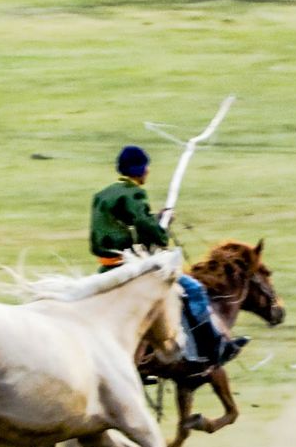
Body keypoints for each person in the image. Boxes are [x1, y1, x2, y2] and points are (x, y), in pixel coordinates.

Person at [90, 145, 245, 368]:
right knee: (194, 290)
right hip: (132, 267)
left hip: (105, 268)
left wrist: (158, 219)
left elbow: (124, 226)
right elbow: (147, 229)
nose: (148, 171)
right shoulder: (134, 193)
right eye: (147, 168)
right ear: (141, 170)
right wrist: (161, 231)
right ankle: (215, 346)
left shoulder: (102, 196)